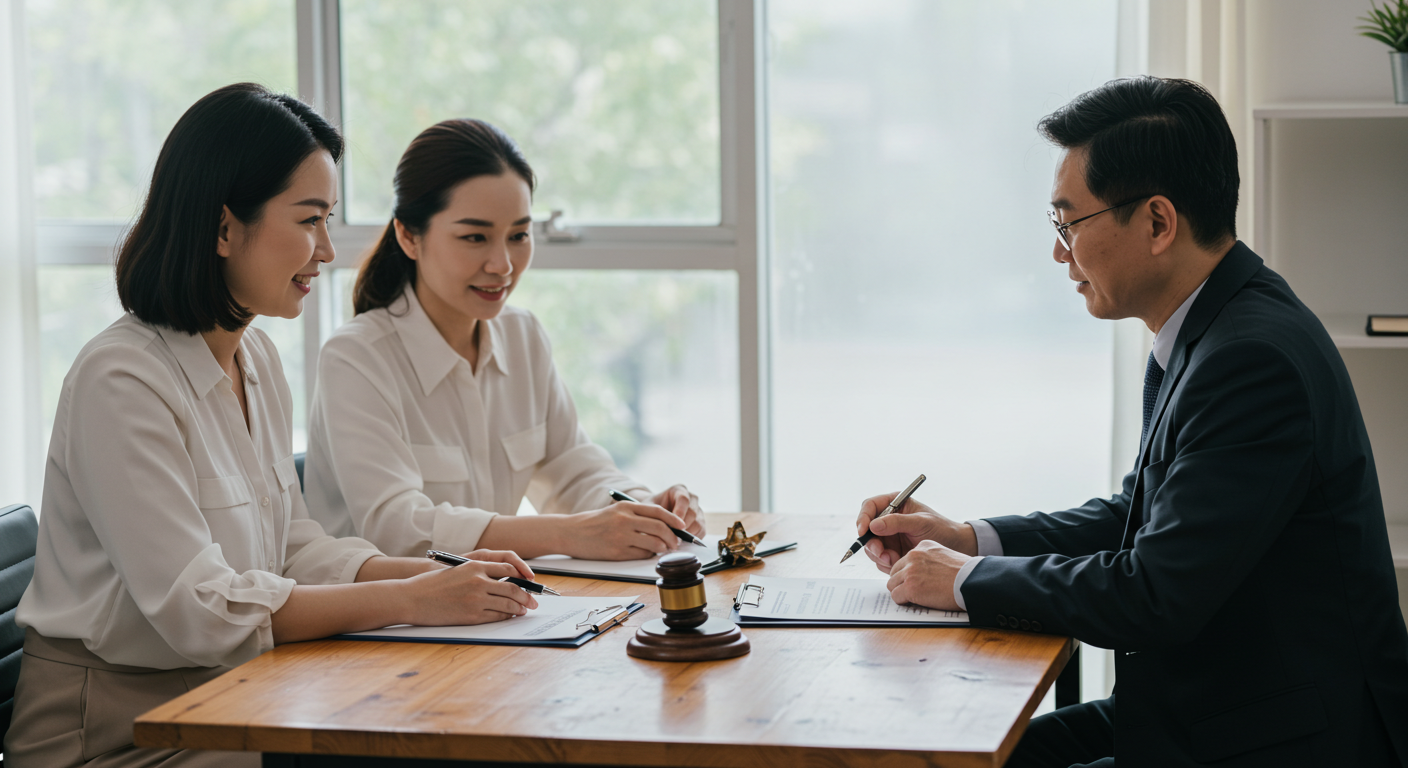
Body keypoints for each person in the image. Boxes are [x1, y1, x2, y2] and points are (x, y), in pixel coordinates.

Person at [856, 76, 1408, 768]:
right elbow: (1136, 518)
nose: (1060, 252)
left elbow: (1156, 593)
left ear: (1157, 223)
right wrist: (967, 540)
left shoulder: (1250, 360)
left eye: (1069, 224)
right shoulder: (1215, 328)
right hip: (1216, 709)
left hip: (1281, 738)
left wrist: (965, 580)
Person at [4, 84, 538, 768]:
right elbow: (202, 611)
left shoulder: (254, 356)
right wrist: (411, 597)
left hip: (234, 697)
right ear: (225, 228)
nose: (328, 249)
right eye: (310, 220)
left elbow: (292, 549)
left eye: (329, 220)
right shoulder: (121, 380)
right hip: (119, 735)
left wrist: (448, 576)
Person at [303, 119, 704, 561]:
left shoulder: (523, 335)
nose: (503, 265)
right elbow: (396, 528)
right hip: (385, 604)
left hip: (493, 599)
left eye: (518, 236)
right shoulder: (356, 358)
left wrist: (644, 508)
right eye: (475, 237)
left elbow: (572, 470)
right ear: (408, 236)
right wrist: (568, 535)